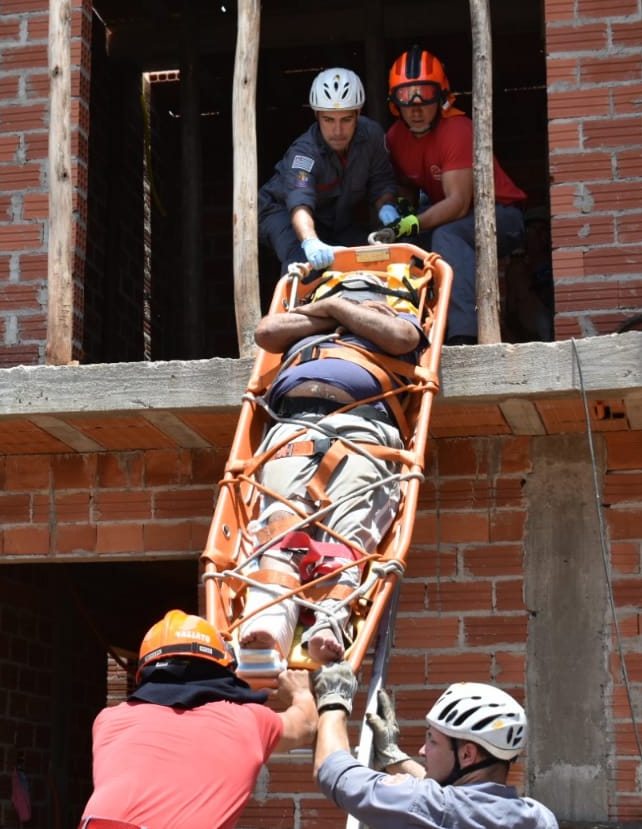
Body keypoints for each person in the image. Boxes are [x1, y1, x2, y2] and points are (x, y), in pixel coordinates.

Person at [237, 270, 426, 665]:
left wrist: (329, 311)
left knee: (346, 531)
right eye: (337, 296)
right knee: (281, 526)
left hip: (365, 427)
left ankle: (328, 622)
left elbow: (403, 339)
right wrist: (336, 311)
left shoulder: (398, 319)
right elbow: (266, 332)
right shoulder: (308, 324)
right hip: (293, 426)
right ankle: (271, 621)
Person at [78, 610, 316, 829]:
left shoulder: (108, 721)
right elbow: (307, 723)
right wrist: (301, 692)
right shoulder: (246, 723)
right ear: (222, 669)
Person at [383, 46, 529, 345]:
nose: (416, 108)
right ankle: (408, 330)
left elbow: (458, 204)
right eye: (406, 97)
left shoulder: (457, 130)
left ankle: (464, 335)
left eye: (425, 94)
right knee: (402, 248)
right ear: (395, 103)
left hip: (502, 215)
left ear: (442, 96)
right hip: (449, 217)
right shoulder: (395, 138)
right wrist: (401, 206)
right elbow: (404, 183)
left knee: (446, 235)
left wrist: (413, 222)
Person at [312, 663, 559, 829]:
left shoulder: (426, 806)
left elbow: (333, 771)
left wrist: (333, 699)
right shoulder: (540, 818)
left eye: (432, 740)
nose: (422, 751)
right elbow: (465, 804)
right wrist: (393, 758)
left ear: (467, 754)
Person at [259, 67, 400, 275]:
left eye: (346, 119)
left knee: (373, 257)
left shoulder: (372, 137)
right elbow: (299, 204)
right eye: (329, 120)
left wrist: (387, 208)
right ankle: (294, 296)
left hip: (333, 220)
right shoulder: (304, 153)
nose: (338, 131)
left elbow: (382, 183)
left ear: (358, 114)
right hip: (282, 211)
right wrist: (310, 241)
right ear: (317, 115)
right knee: (302, 262)